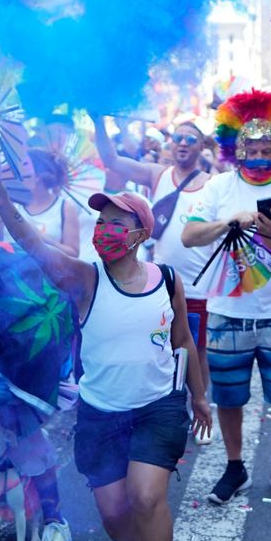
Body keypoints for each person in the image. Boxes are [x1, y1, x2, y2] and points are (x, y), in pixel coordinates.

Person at [0, 171, 211, 541]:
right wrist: (2, 204)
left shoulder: (168, 279)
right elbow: (36, 246)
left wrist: (199, 397)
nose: (104, 230)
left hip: (157, 407)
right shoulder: (85, 279)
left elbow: (184, 343)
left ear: (140, 234)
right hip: (101, 414)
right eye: (100, 223)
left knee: (146, 495)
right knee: (114, 514)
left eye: (116, 224)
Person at [181, 90, 271, 507]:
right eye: (248, 146)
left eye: (265, 146)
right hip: (227, 312)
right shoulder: (218, 187)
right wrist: (230, 220)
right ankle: (235, 467)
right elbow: (189, 235)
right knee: (229, 398)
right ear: (235, 148)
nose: (257, 153)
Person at [95, 115, 213, 373]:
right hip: (162, 284)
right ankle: (167, 404)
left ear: (201, 146)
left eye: (190, 139)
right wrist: (98, 120)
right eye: (178, 138)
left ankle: (200, 404)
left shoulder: (213, 184)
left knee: (198, 351)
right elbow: (111, 160)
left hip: (199, 288)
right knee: (162, 348)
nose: (183, 143)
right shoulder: (158, 175)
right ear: (171, 144)